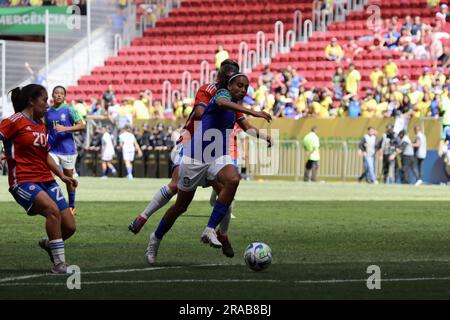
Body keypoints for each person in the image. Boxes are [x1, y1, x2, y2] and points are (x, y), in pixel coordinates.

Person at [144, 73, 272, 264]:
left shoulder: (234, 108)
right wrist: (255, 111)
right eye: (239, 85)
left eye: (246, 87)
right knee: (181, 206)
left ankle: (210, 229)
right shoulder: (221, 95)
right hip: (196, 158)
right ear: (229, 86)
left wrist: (264, 136)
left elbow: (245, 126)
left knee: (233, 180)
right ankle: (155, 239)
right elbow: (221, 102)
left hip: (217, 156)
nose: (243, 90)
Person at [128, 60, 242, 258]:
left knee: (228, 192)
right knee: (176, 190)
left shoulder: (233, 99)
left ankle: (221, 234)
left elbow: (242, 123)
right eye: (225, 76)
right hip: (190, 143)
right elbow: (199, 114)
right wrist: (218, 106)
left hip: (212, 151)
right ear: (220, 77)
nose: (226, 80)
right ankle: (144, 218)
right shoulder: (209, 89)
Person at [0, 84, 77, 274]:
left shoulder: (41, 125)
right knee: (52, 211)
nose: (47, 103)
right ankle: (60, 265)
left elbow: (45, 156)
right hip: (23, 181)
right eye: (44, 99)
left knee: (69, 225)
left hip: (46, 179)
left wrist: (62, 176)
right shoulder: (14, 121)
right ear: (31, 101)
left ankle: (49, 244)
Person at [45, 86, 85, 216]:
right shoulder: (47, 112)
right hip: (52, 149)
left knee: (68, 179)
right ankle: (54, 203)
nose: (59, 95)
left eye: (61, 93)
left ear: (65, 96)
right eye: (56, 93)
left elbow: (81, 125)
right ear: (52, 95)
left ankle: (71, 205)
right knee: (50, 176)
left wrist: (65, 129)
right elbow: (44, 128)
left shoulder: (70, 110)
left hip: (68, 150)